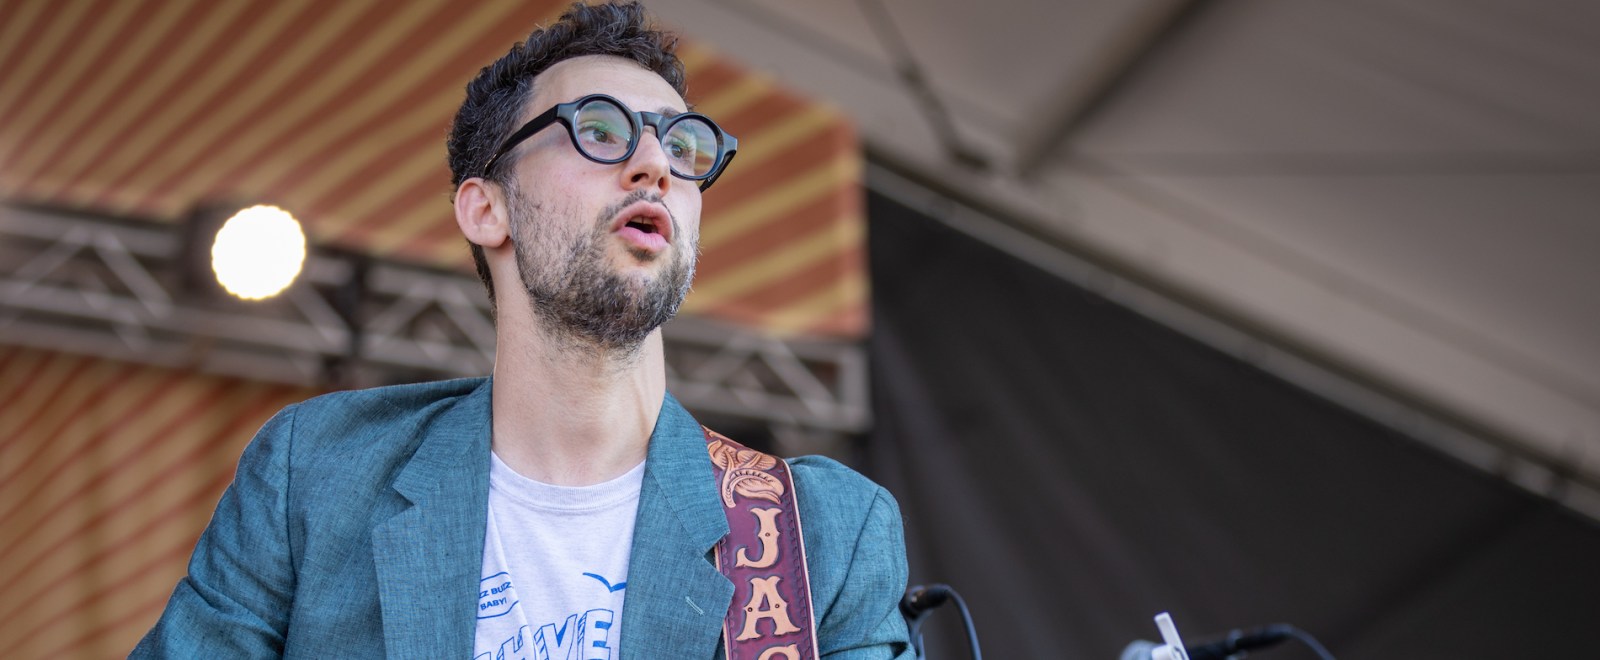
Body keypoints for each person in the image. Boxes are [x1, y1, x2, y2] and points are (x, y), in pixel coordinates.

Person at [132, 2, 912, 658]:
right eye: (601, 130)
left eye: (682, 144)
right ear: (486, 208)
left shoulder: (817, 535)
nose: (655, 166)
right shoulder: (317, 476)